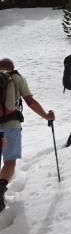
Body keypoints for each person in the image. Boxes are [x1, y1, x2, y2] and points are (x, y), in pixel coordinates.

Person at [0, 58, 55, 212]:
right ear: (12, 67)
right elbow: (30, 102)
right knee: (9, 162)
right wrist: (46, 116)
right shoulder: (17, 78)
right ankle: (0, 188)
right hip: (11, 126)